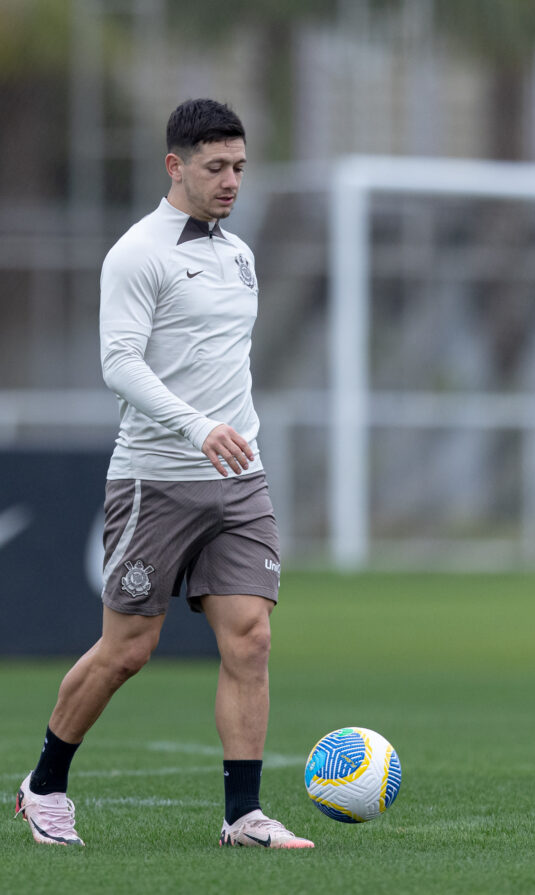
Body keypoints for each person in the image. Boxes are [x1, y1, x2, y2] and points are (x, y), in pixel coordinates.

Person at [15, 98, 313, 850]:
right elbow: (118, 363)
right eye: (216, 167)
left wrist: (236, 431)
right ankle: (44, 785)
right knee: (128, 650)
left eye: (240, 167)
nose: (231, 181)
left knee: (250, 638)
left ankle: (242, 814)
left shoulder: (238, 254)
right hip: (159, 476)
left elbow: (224, 364)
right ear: (175, 166)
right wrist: (195, 425)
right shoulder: (137, 252)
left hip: (240, 476)